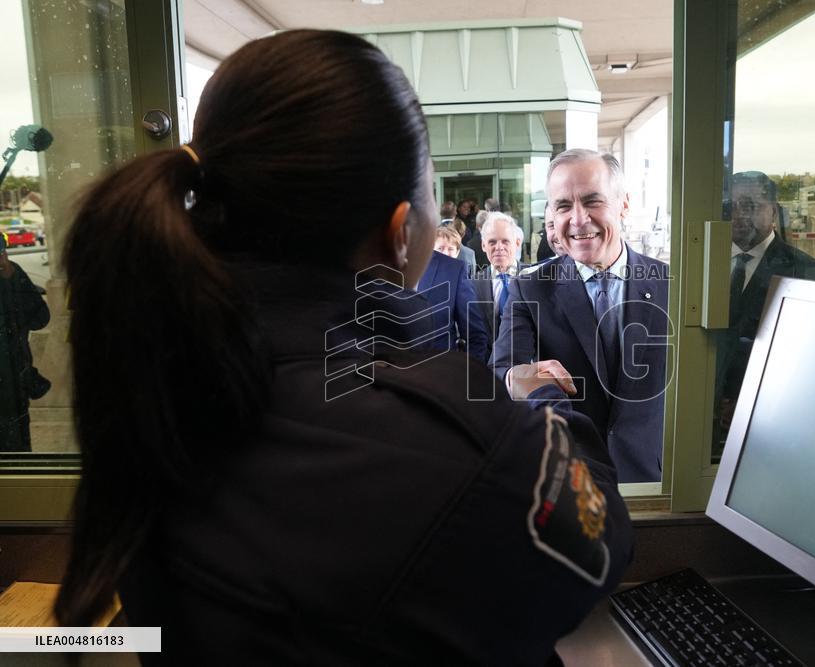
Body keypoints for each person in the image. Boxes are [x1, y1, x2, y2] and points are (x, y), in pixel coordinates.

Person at [55, 30, 631, 665]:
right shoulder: (467, 450)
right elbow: (593, 556)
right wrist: (549, 418)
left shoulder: (155, 391)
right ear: (399, 233)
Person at [492, 150, 670, 483]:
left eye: (592, 201)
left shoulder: (672, 286)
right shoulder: (529, 289)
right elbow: (501, 370)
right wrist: (520, 377)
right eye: (562, 206)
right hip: (569, 486)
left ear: (624, 205)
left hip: (657, 484)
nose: (578, 219)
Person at [714, 171, 815, 453]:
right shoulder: (700, 261)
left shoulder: (805, 272)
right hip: (700, 413)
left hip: (763, 420)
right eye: (730, 206)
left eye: (749, 205)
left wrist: (744, 399)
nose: (738, 214)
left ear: (773, 211)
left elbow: (802, 358)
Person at [0, 235, 50, 451]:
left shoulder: (12, 274)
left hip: (14, 376)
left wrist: (9, 276)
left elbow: (40, 318)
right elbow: (39, 318)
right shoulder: (12, 274)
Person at [419, 240, 489, 363]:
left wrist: (465, 375)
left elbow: (476, 336)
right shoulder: (376, 264)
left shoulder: (453, 269)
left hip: (439, 374)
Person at [472, 212, 523, 361]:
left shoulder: (534, 278)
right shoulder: (472, 284)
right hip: (487, 369)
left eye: (505, 241)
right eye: (492, 242)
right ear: (483, 245)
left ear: (517, 243)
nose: (499, 247)